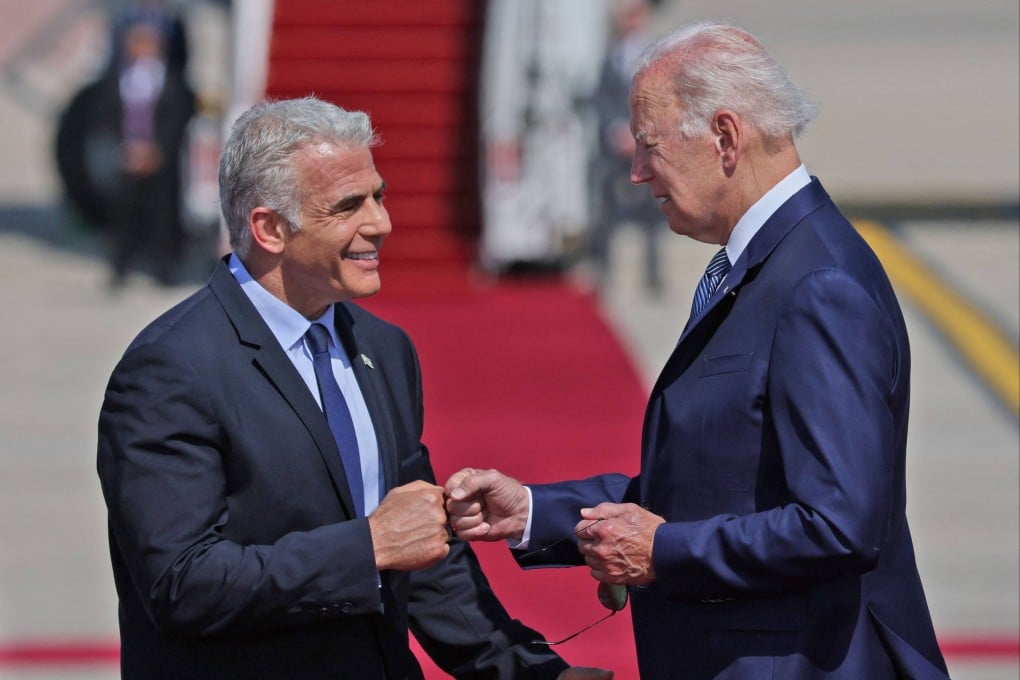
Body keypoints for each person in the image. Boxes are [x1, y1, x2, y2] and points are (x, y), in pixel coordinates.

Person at [445, 21, 950, 680]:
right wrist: (537, 512)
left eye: (649, 146)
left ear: (724, 137)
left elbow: (838, 523)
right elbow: (719, 485)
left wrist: (662, 552)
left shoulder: (817, 285)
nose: (635, 171)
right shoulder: (767, 266)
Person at [97, 97, 610, 679]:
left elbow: (421, 554)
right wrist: (367, 547)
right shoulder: (172, 369)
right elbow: (180, 586)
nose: (381, 223)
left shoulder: (384, 349)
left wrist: (532, 672)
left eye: (379, 195)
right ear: (269, 229)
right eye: (348, 207)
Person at [55, 5, 195, 287]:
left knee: (163, 215)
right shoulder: (119, 81)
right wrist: (126, 147)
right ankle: (120, 266)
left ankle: (165, 266)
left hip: (160, 161)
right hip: (128, 155)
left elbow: (177, 115)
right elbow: (109, 116)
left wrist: (159, 150)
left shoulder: (170, 82)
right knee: (125, 215)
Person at [588, 0, 665, 295]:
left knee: (654, 209)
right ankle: (603, 266)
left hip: (645, 143)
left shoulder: (655, 58)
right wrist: (616, 131)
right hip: (615, 144)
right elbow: (603, 99)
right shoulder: (612, 58)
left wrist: (639, 135)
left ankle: (653, 274)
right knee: (607, 207)